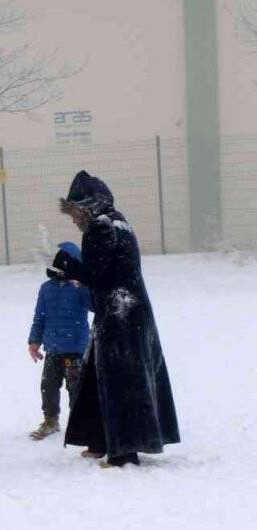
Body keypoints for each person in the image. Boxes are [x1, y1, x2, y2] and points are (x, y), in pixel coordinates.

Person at [57, 170, 179, 467]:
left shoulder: (100, 228)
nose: (73, 219)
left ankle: (123, 451)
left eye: (75, 212)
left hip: (118, 315)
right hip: (131, 311)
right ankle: (99, 439)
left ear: (88, 206)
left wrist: (68, 266)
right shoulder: (120, 222)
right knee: (99, 376)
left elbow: (95, 276)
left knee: (119, 380)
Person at [27, 243, 91, 441]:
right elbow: (40, 317)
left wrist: (83, 286)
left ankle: (80, 424)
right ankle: (51, 420)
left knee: (76, 388)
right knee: (48, 386)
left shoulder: (80, 288)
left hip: (75, 349)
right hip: (53, 348)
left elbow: (93, 306)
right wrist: (34, 341)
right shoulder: (46, 289)